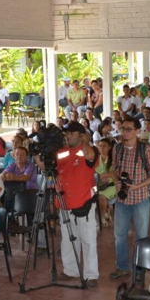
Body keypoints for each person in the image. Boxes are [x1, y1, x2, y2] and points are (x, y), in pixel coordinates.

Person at [41, 121, 100, 286]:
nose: (68, 136)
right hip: (64, 202)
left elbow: (88, 155)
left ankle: (91, 275)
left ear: (81, 135)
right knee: (67, 240)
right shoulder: (62, 152)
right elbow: (47, 166)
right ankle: (70, 270)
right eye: (66, 133)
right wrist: (39, 153)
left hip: (84, 202)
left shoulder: (90, 150)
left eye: (72, 133)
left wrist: (85, 140)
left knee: (88, 239)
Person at [111, 118, 150, 278]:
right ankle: (122, 266)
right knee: (119, 235)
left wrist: (137, 186)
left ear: (138, 131)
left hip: (140, 198)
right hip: (122, 199)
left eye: (129, 129)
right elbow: (114, 168)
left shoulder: (146, 149)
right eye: (123, 129)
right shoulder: (117, 148)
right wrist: (116, 181)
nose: (125, 133)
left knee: (141, 236)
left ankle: (139, 270)